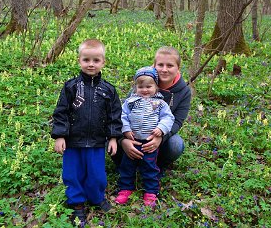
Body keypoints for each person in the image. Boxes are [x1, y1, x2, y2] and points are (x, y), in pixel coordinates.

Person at [51, 39, 122, 225]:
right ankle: (76, 202)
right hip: (73, 142)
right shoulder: (70, 87)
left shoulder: (109, 90)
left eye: (96, 60)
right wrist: (60, 135)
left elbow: (115, 116)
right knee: (72, 173)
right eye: (86, 60)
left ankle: (96, 197)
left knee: (97, 174)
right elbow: (61, 112)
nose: (91, 64)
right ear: (79, 61)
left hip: (97, 142)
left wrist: (113, 138)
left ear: (103, 62)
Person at [113, 46, 191, 176]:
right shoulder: (143, 82)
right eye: (160, 65)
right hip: (133, 134)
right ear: (154, 65)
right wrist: (123, 140)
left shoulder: (184, 91)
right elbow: (122, 114)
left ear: (178, 68)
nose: (164, 69)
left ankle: (156, 166)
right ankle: (124, 163)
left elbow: (177, 121)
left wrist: (161, 137)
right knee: (107, 134)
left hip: (156, 136)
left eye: (170, 65)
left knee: (176, 144)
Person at [115, 66, 175, 207]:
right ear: (135, 87)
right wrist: (126, 130)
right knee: (127, 165)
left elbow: (168, 118)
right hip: (132, 140)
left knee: (150, 166)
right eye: (141, 87)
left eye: (149, 86)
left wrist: (161, 128)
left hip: (149, 142)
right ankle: (125, 189)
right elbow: (122, 117)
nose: (145, 90)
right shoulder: (130, 102)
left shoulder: (160, 103)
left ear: (156, 87)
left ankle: (151, 191)